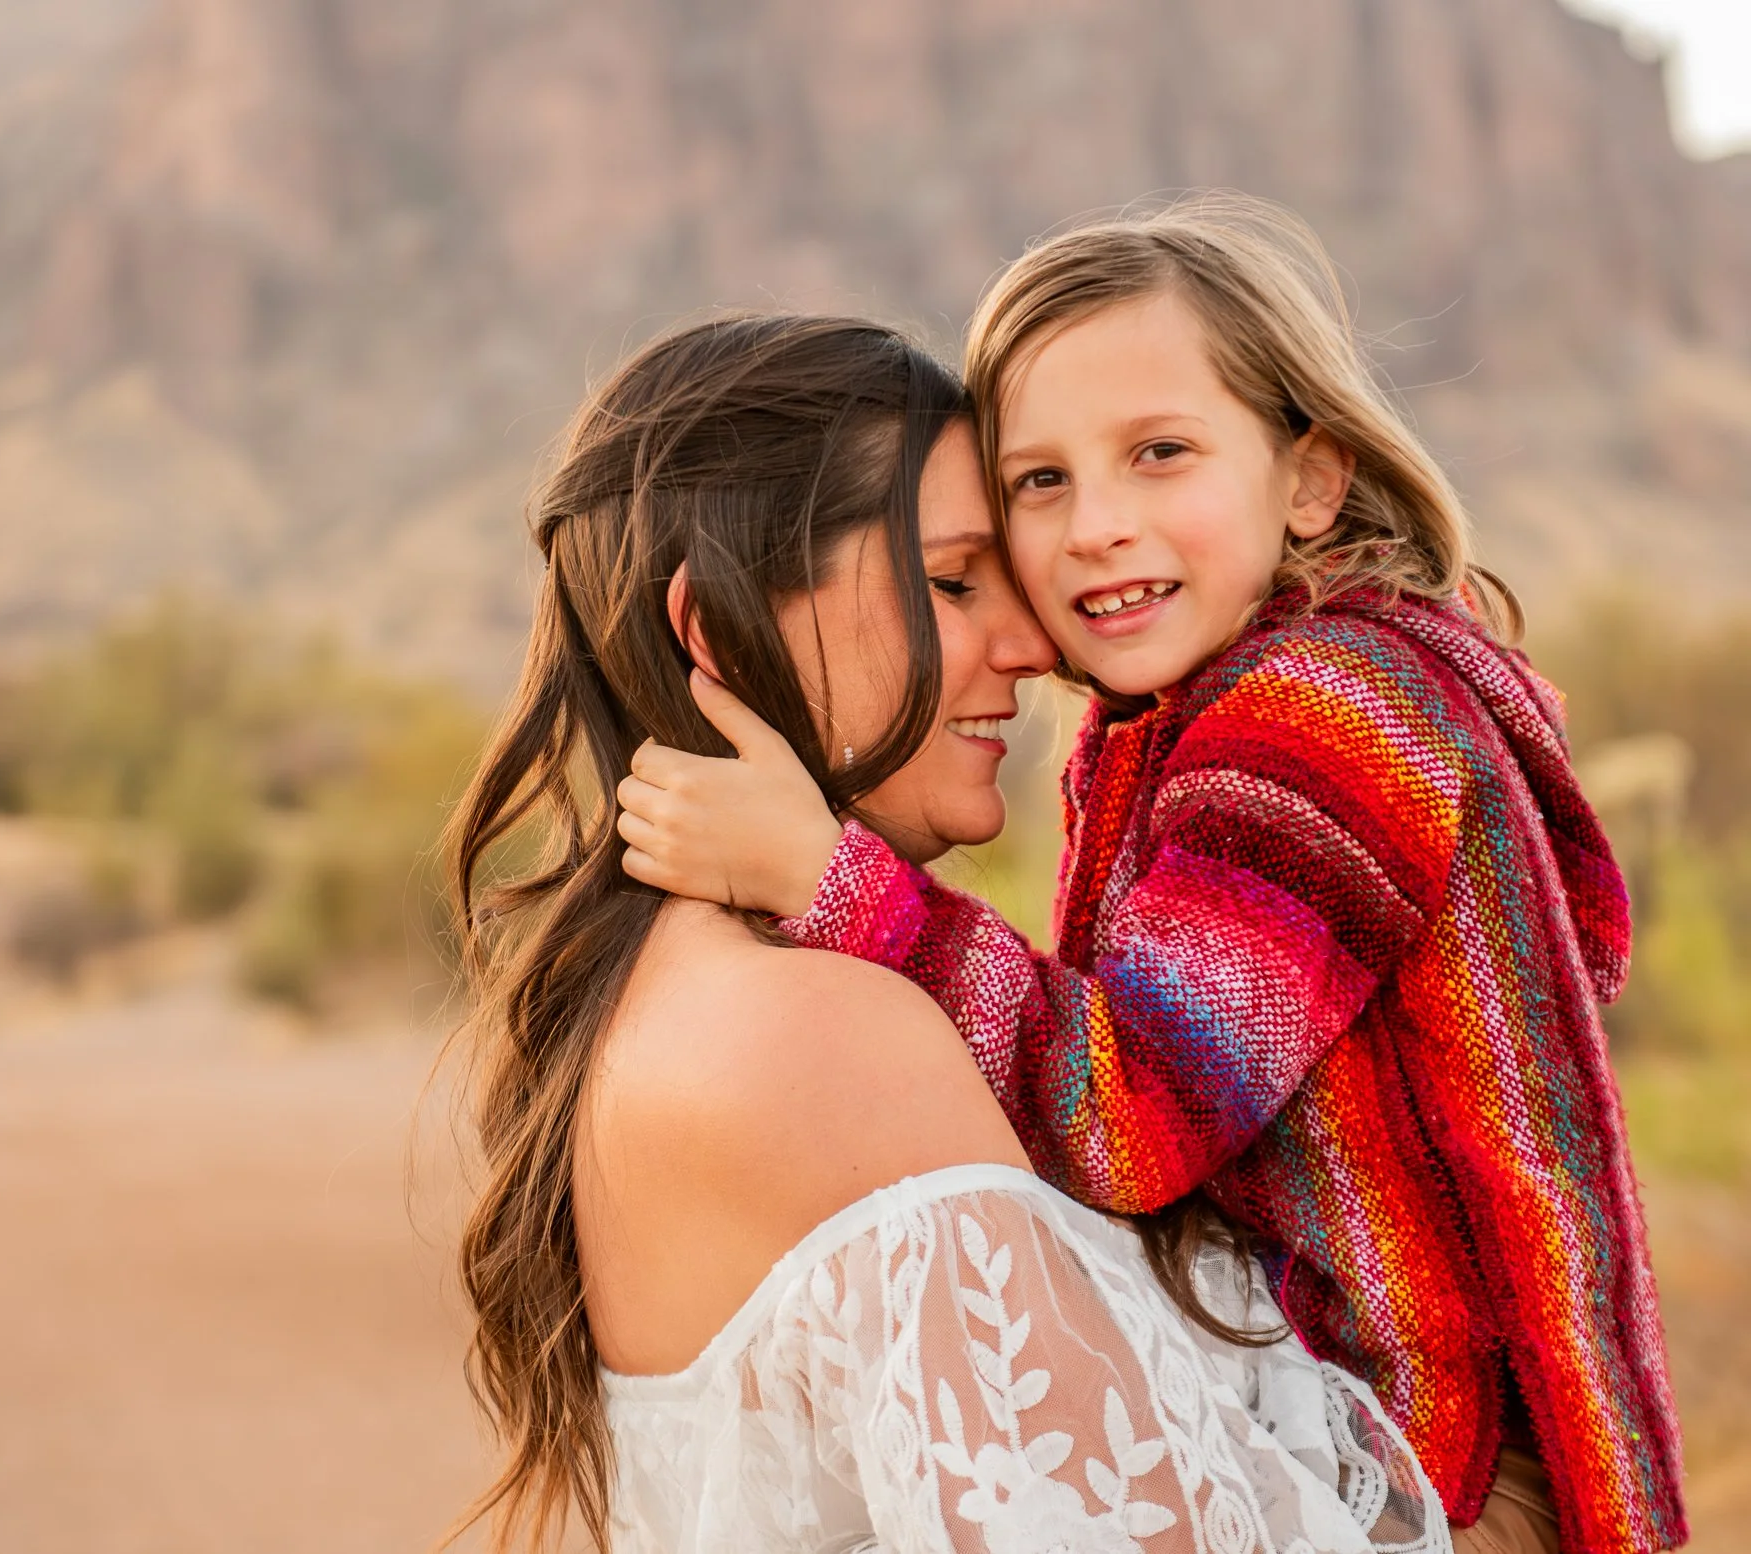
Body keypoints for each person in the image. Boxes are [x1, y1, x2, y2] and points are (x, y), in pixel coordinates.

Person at [614, 200, 1686, 1554]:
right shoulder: (1188, 721)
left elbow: (1134, 1107)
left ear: (1310, 479)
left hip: (1439, 1469)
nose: (1095, 527)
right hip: (1354, 1419)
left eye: (1159, 454)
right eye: (1038, 483)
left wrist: (833, 881)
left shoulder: (1329, 719)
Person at [444, 313, 1451, 1553]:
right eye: (953, 580)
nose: (1032, 646)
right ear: (715, 629)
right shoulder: (820, 1034)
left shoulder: (665, 992)